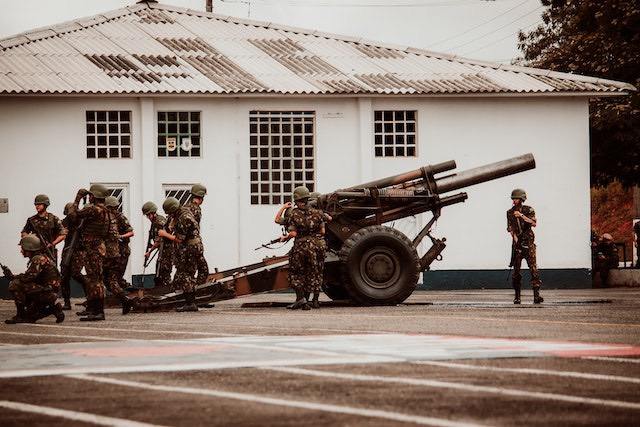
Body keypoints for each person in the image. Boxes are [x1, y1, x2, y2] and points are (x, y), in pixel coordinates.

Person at [68, 184, 110, 321]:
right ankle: (93, 309)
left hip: (93, 248)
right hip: (95, 247)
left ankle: (99, 312)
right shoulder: (104, 210)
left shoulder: (94, 209)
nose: (89, 197)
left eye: (91, 195)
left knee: (96, 280)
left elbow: (73, 216)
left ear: (94, 196)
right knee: (93, 279)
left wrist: (78, 198)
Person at [279, 186, 326, 310]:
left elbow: (293, 233)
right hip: (315, 247)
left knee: (296, 273)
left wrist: (285, 237)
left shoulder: (294, 214)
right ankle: (311, 300)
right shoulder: (318, 213)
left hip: (300, 247)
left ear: (297, 200)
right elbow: (322, 231)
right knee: (312, 273)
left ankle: (301, 300)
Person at [5, 234, 64, 324]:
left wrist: (13, 277)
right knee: (30, 317)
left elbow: (29, 277)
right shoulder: (41, 257)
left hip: (46, 292)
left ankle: (20, 315)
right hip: (47, 291)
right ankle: (54, 308)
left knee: (15, 284)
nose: (21, 251)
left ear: (29, 248)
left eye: (23, 248)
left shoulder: (38, 258)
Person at [158, 197, 203, 312]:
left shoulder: (183, 217)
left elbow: (179, 239)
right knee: (187, 273)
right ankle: (190, 301)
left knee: (185, 274)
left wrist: (164, 234)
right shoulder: (184, 212)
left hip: (190, 248)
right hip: (194, 246)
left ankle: (190, 303)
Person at [507, 188, 543, 304]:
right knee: (516, 272)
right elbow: (511, 229)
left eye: (516, 198)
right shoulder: (509, 212)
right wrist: (516, 240)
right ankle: (517, 297)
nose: (514, 200)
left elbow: (534, 223)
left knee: (533, 269)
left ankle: (536, 296)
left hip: (528, 243)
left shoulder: (528, 210)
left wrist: (521, 216)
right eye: (513, 198)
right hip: (517, 244)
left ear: (521, 199)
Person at [103, 196, 134, 314]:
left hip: (121, 252)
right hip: (111, 252)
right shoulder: (106, 218)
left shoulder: (119, 217)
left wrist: (120, 237)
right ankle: (125, 298)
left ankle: (126, 298)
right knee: (110, 279)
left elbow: (131, 232)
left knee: (113, 279)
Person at [21, 194, 67, 265]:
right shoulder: (31, 220)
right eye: (36, 204)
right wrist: (31, 239)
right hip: (35, 251)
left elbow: (63, 235)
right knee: (35, 272)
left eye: (39, 204)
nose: (37, 206)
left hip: (49, 251)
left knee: (51, 272)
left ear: (45, 205)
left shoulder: (53, 219)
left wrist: (52, 244)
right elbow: (24, 232)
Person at [142, 201, 174, 289]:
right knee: (159, 274)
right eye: (147, 215)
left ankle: (168, 293)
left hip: (167, 251)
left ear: (153, 213)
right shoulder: (156, 221)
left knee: (163, 274)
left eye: (149, 215)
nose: (148, 217)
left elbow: (159, 241)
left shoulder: (159, 222)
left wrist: (149, 251)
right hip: (163, 251)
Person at [187, 184, 210, 285]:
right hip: (194, 245)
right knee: (203, 270)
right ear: (201, 197)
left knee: (189, 270)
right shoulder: (196, 209)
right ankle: (198, 290)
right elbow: (194, 229)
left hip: (185, 245)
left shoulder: (185, 207)